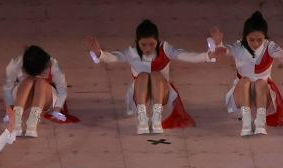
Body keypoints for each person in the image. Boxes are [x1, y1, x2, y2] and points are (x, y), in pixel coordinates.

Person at [86, 20, 221, 134]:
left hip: (163, 99)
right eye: (143, 45)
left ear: (158, 41)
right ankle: (143, 118)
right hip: (140, 98)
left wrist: (207, 55)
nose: (148, 48)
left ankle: (157, 118)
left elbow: (187, 56)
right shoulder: (132, 52)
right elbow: (114, 57)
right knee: (143, 76)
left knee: (155, 74)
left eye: (151, 44)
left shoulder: (166, 49)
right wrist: (99, 53)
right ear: (137, 42)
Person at [221, 11, 283, 136]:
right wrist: (217, 44)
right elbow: (224, 50)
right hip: (240, 96)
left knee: (261, 82)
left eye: (259, 40)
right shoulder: (239, 46)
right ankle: (246, 122)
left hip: (262, 96)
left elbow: (282, 57)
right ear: (245, 36)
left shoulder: (270, 47)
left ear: (265, 37)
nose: (256, 44)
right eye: (251, 39)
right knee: (245, 81)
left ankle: (260, 122)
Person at [3, 45, 68, 137]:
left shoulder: (52, 62)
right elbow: (7, 88)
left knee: (40, 82)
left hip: (46, 95)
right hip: (22, 94)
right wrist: (9, 108)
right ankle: (16, 122)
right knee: (29, 80)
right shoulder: (15, 63)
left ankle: (32, 124)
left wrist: (57, 108)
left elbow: (62, 89)